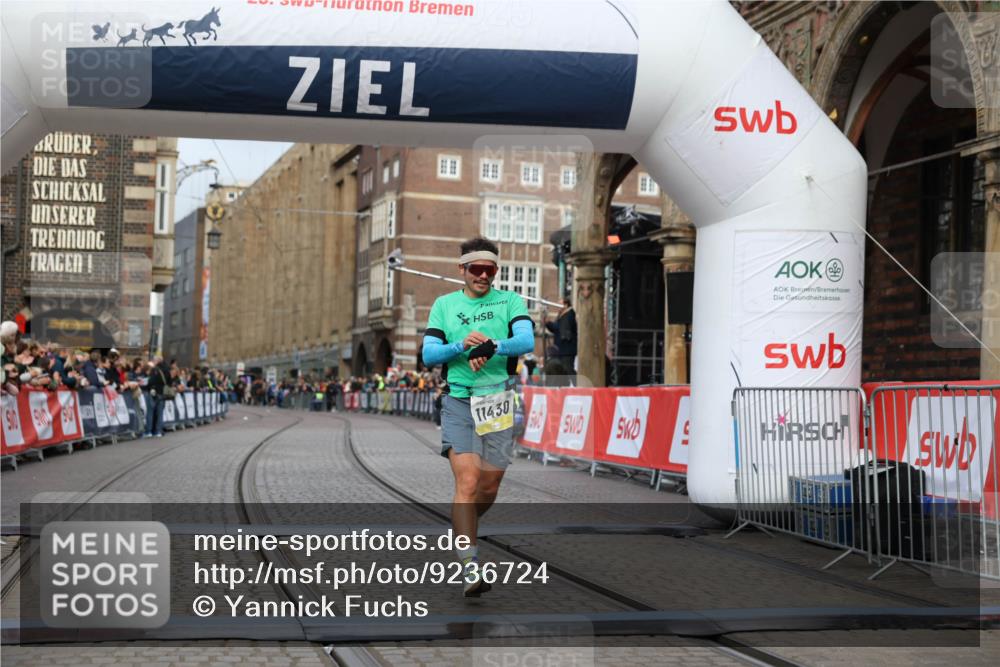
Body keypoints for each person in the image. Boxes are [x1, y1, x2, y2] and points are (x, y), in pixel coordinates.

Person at [421, 237, 534, 597]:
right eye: (476, 269)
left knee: (488, 486)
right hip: (458, 401)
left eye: (490, 270)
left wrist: (492, 345)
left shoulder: (509, 300)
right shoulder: (444, 305)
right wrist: (463, 346)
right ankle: (470, 563)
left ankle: (462, 523)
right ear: (463, 270)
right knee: (468, 481)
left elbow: (527, 340)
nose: (483, 276)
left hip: (498, 401)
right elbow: (429, 354)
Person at [545, 297, 577, 384]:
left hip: (567, 349)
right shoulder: (562, 315)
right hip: (562, 349)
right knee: (563, 370)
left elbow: (560, 328)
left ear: (566, 305)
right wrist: (547, 323)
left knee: (568, 369)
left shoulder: (569, 315)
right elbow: (556, 329)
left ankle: (577, 386)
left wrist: (549, 323)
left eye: (560, 304)